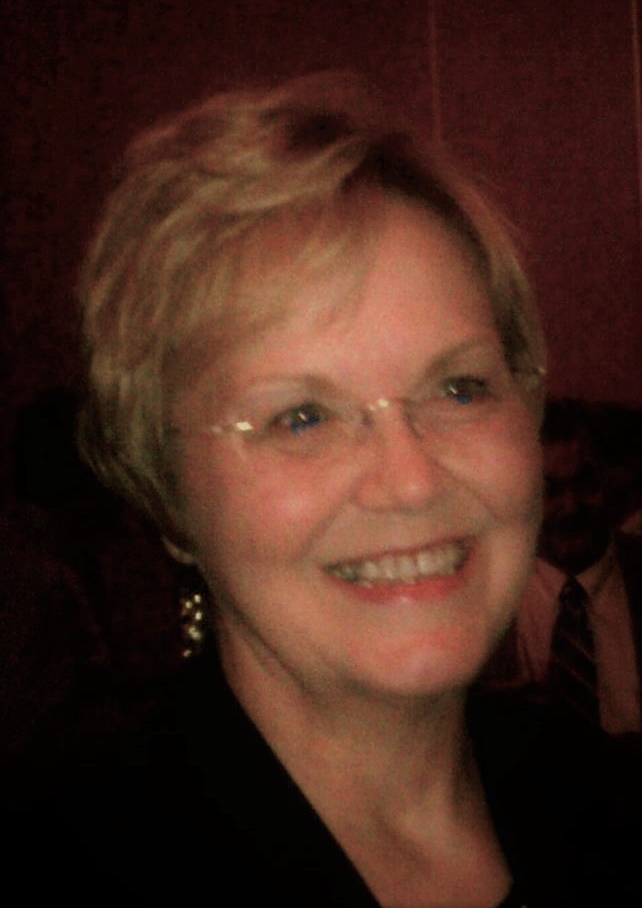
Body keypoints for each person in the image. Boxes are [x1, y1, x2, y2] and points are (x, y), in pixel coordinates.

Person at [3, 73, 640, 907]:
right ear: (166, 494)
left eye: (458, 389)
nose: (411, 482)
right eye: (300, 417)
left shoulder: (605, 800)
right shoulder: (66, 864)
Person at [512, 397, 642, 738]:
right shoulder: (481, 592)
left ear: (612, 480)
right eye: (550, 491)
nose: (571, 507)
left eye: (586, 484)